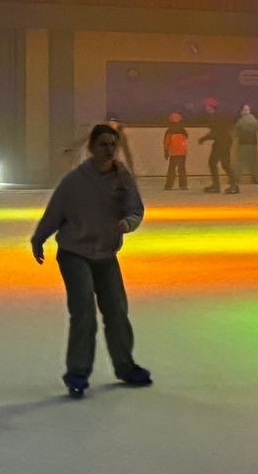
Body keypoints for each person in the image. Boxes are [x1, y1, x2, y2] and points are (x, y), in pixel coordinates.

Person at [32, 124, 153, 397]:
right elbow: (55, 211)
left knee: (117, 311)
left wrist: (128, 223)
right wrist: (39, 238)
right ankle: (77, 372)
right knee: (84, 311)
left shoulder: (123, 179)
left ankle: (125, 365)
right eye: (103, 145)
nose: (109, 150)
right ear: (91, 148)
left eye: (112, 145)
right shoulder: (75, 181)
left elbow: (135, 209)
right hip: (74, 252)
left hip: (106, 254)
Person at [201, 97, 238, 195]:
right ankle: (218, 185)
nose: (205, 107)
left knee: (223, 164)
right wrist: (205, 138)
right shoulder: (217, 115)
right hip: (221, 142)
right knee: (215, 163)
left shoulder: (216, 117)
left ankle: (232, 186)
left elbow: (216, 132)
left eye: (206, 106)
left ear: (210, 106)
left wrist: (204, 138)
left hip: (222, 143)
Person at [235, 104, 258, 188]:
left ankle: (235, 179)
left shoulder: (240, 121)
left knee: (239, 162)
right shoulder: (254, 120)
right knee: (254, 163)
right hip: (252, 144)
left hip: (242, 143)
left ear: (242, 111)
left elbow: (236, 131)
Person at [161, 113, 189, 191]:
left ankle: (169, 186)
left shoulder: (169, 131)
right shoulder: (183, 131)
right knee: (182, 169)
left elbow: (166, 142)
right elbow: (186, 139)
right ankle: (183, 185)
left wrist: (166, 152)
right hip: (182, 153)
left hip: (173, 153)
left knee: (171, 170)